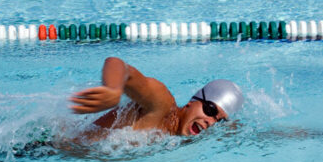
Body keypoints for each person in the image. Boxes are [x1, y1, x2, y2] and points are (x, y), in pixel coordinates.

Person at [69, 57, 244, 140]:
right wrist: (113, 89)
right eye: (210, 110)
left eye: (218, 121)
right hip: (52, 150)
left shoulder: (189, 135)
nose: (210, 123)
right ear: (193, 101)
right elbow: (117, 64)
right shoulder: (161, 105)